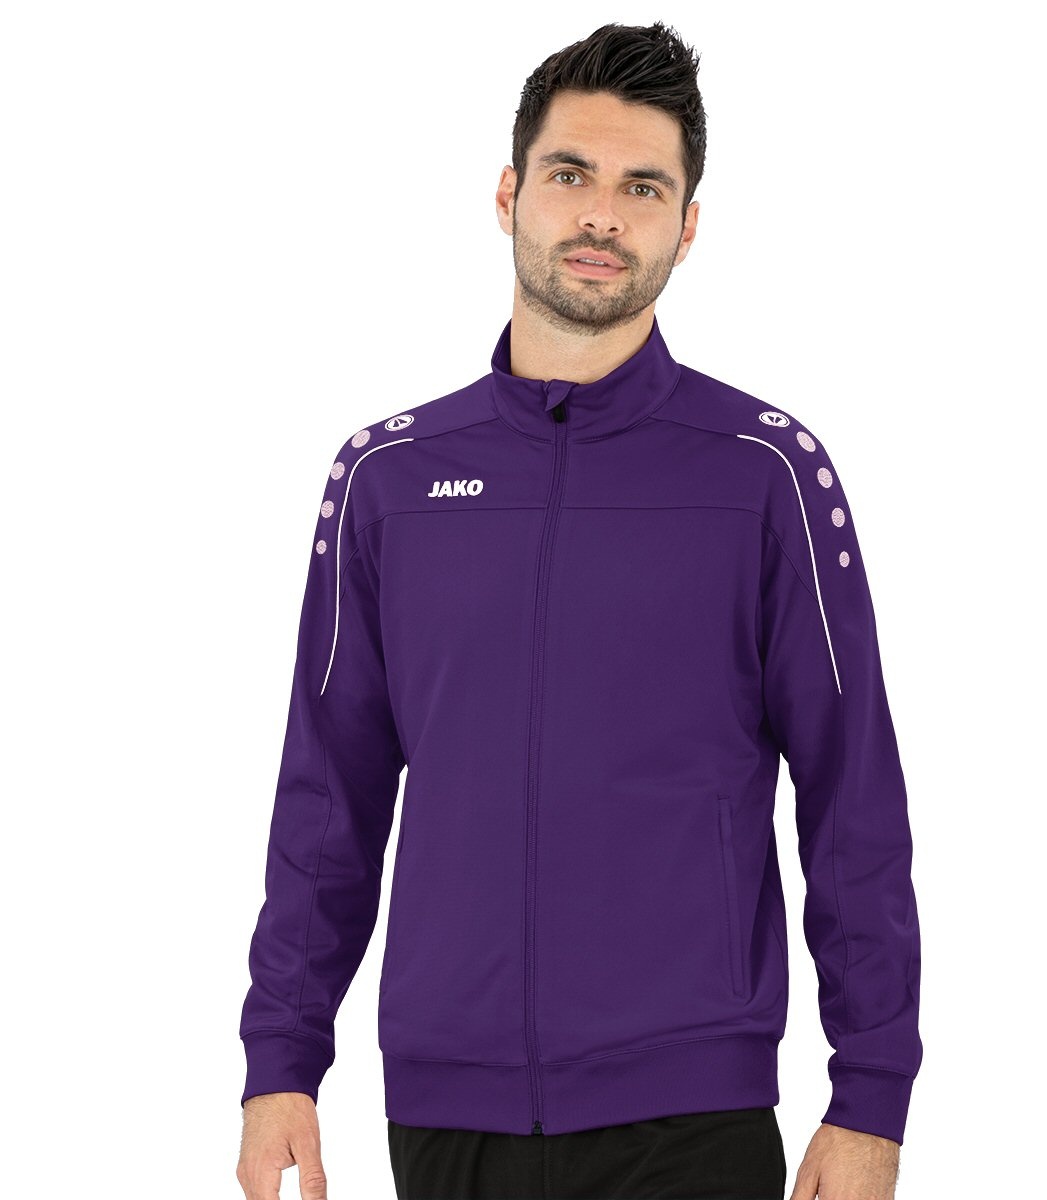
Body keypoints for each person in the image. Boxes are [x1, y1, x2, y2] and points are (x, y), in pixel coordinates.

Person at [236, 20, 922, 1200]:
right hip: (447, 1112)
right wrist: (280, 1063)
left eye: (643, 188)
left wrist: (871, 1097)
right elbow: (328, 797)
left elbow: (852, 796)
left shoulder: (765, 474)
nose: (602, 216)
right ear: (509, 194)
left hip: (690, 1113)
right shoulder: (389, 480)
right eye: (570, 175)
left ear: (687, 226)